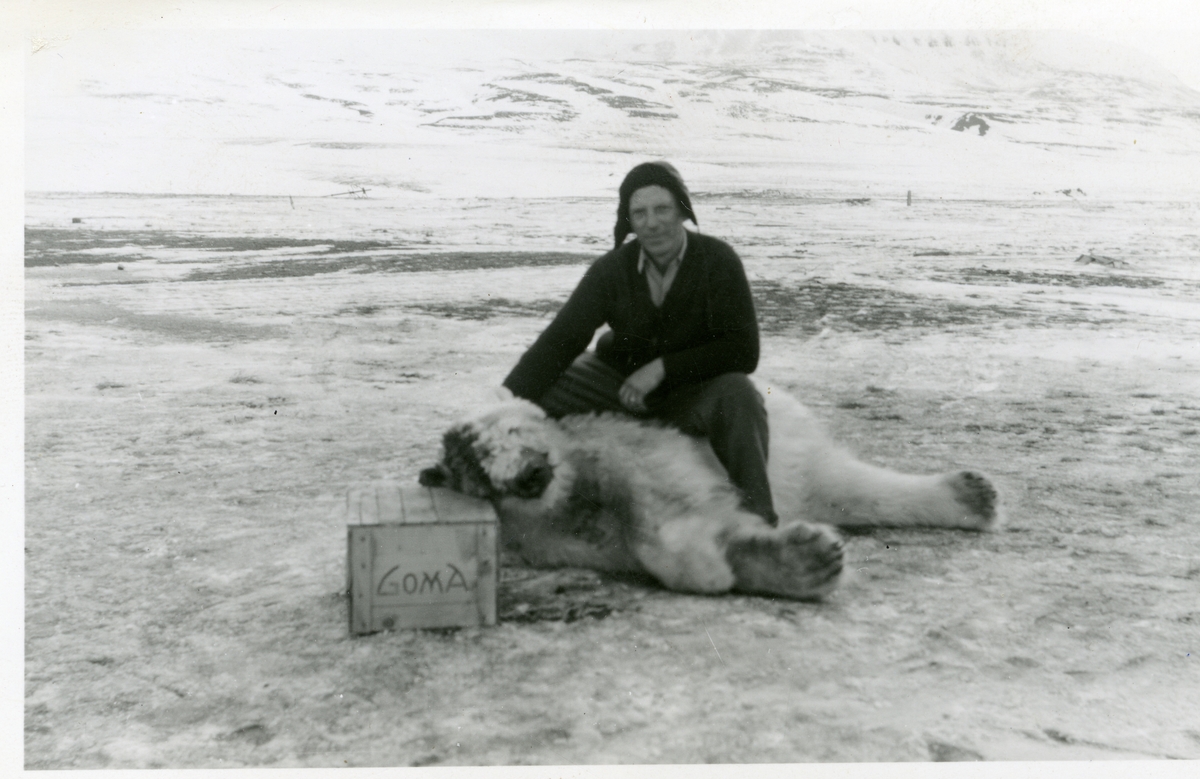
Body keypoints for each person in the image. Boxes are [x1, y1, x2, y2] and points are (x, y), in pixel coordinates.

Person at [502, 161, 778, 526]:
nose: (652, 222)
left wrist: (664, 368)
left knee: (739, 393)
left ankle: (759, 517)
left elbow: (744, 350)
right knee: (544, 386)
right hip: (620, 386)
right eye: (640, 213)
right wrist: (505, 404)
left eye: (662, 209)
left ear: (682, 210)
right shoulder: (611, 270)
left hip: (691, 392)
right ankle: (516, 484)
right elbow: (560, 340)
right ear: (628, 221)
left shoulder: (717, 261)